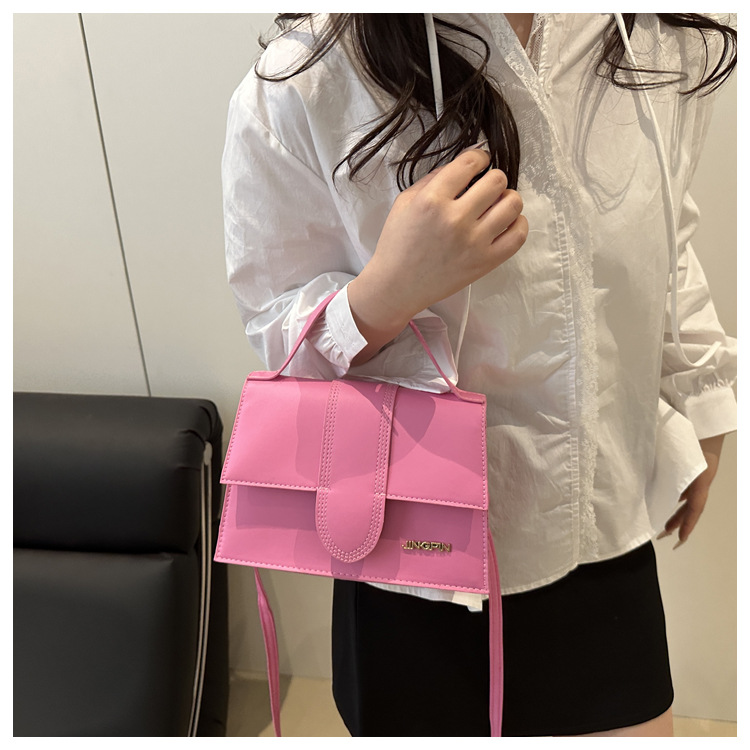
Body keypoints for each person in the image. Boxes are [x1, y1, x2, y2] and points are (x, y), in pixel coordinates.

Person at [221, 13, 737, 737]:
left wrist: (704, 394)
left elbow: (667, 237)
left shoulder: (649, 36)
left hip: (603, 518)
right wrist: (385, 294)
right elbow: (278, 334)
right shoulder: (307, 80)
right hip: (404, 546)